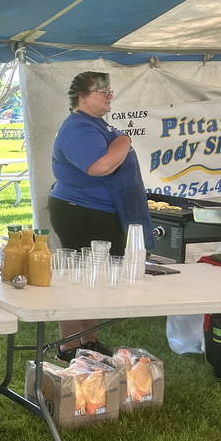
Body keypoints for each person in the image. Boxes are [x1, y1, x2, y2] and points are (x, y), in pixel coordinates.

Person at [48, 71, 151, 360]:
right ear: (82, 96)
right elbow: (99, 167)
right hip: (80, 212)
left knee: (95, 278)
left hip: (98, 211)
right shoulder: (78, 127)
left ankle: (89, 342)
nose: (109, 95)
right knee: (78, 278)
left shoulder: (94, 123)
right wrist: (124, 141)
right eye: (102, 91)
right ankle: (69, 346)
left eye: (110, 91)